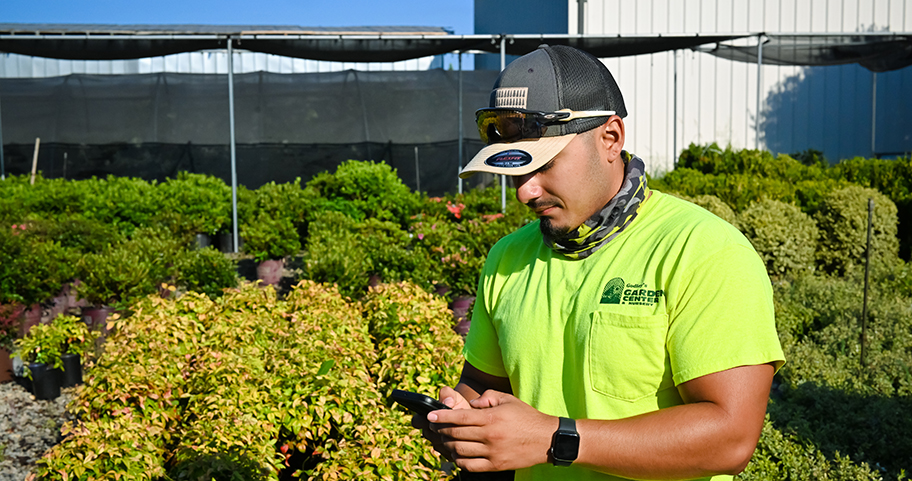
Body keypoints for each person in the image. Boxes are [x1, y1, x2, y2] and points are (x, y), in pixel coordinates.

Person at [414, 45, 785, 481]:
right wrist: (461, 417)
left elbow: (731, 439)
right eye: (515, 171)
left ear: (610, 138)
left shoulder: (702, 251)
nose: (524, 192)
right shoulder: (508, 257)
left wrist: (555, 439)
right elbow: (483, 384)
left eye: (545, 165)